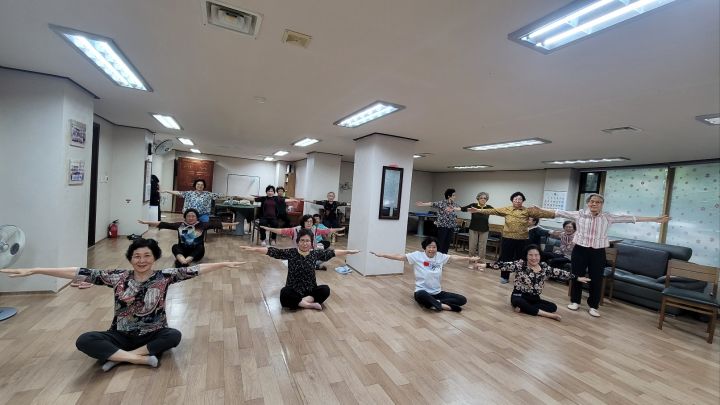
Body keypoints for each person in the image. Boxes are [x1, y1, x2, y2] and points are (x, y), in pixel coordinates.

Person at [0, 238, 244, 371]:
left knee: (174, 336)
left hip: (153, 334)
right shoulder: (117, 277)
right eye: (137, 256)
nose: (142, 260)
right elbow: (78, 272)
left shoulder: (165, 276)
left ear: (154, 258)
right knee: (85, 340)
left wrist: (223, 264)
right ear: (130, 259)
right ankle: (138, 359)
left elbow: (196, 269)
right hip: (120, 334)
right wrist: (36, 270)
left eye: (147, 256)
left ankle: (118, 358)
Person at [552, 193, 670, 317]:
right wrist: (540, 210)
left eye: (598, 202)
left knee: (596, 279)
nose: (594, 204)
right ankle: (575, 301)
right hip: (580, 250)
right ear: (588, 203)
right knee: (577, 275)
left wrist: (655, 219)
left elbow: (630, 218)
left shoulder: (607, 217)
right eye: (592, 201)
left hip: (598, 252)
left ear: (601, 205)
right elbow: (559, 212)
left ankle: (593, 306)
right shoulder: (580, 214)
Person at [238, 229, 359, 310]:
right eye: (302, 240)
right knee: (284, 293)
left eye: (307, 241)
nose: (305, 243)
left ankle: (301, 303)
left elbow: (332, 253)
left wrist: (348, 251)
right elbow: (273, 251)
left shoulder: (315, 253)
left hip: (310, 291)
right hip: (293, 290)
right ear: (297, 242)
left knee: (325, 289)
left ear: (312, 243)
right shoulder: (291, 252)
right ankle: (309, 305)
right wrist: (255, 249)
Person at [472, 245, 590, 321]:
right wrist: (484, 265)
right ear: (526, 256)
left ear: (540, 256)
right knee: (518, 301)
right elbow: (504, 265)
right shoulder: (521, 264)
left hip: (534, 298)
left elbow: (558, 272)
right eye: (531, 255)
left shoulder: (544, 267)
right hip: (519, 295)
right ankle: (547, 315)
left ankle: (525, 309)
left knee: (553, 307)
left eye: (536, 255)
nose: (534, 258)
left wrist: (576, 278)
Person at [466, 192, 554, 284]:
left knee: (521, 260)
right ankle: (504, 277)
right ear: (512, 200)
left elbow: (542, 214)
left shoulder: (527, 211)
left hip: (521, 240)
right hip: (507, 238)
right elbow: (492, 211)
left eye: (520, 199)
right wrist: (478, 210)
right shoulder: (507, 209)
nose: (517, 201)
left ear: (523, 201)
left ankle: (521, 277)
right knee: (506, 258)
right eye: (515, 199)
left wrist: (556, 214)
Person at [371, 237, 478, 312]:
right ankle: (444, 306)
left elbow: (453, 257)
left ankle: (434, 303)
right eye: (429, 247)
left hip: (437, 293)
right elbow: (400, 257)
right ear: (425, 247)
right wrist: (383, 255)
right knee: (421, 295)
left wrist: (469, 258)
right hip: (422, 291)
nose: (432, 249)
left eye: (434, 247)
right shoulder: (417, 256)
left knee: (462, 299)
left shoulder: (440, 256)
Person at [139, 208, 211, 267]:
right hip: (183, 252)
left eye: (193, 216)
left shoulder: (202, 225)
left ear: (197, 217)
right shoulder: (180, 225)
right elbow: (164, 224)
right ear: (185, 217)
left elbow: (216, 224)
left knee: (200, 247)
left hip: (196, 255)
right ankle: (183, 261)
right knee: (175, 246)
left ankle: (186, 261)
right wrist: (146, 222)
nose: (191, 218)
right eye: (188, 216)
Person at [259, 214, 344, 249]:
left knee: (326, 251)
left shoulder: (314, 229)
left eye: (311, 221)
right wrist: (268, 228)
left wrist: (338, 229)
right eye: (307, 221)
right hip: (298, 251)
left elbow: (327, 231)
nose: (309, 223)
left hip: (311, 252)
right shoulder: (295, 229)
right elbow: (280, 231)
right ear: (303, 222)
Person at [416, 188, 459, 254]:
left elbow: (461, 208)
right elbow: (432, 203)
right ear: (449, 196)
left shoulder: (454, 204)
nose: (455, 197)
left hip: (451, 227)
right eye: (453, 195)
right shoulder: (442, 203)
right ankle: (438, 255)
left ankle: (444, 256)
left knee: (447, 243)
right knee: (441, 242)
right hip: (442, 226)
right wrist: (422, 204)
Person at [162, 179, 226, 223]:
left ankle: (201, 235)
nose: (200, 186)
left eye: (202, 185)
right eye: (198, 184)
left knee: (203, 226)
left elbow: (219, 195)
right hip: (191, 214)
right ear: (195, 185)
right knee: (190, 227)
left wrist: (230, 196)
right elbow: (178, 193)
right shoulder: (189, 193)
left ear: (204, 186)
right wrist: (167, 191)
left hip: (203, 214)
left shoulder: (208, 194)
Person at [459, 192, 493, 264]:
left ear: (487, 199)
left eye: (485, 198)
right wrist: (455, 208)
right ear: (478, 199)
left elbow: (497, 212)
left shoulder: (489, 207)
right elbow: (463, 208)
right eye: (481, 198)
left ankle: (480, 263)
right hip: (473, 229)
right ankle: (471, 262)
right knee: (472, 246)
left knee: (482, 247)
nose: (483, 199)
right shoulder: (473, 205)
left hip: (484, 230)